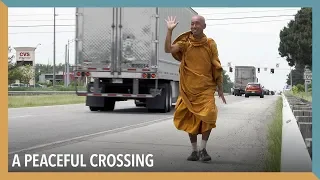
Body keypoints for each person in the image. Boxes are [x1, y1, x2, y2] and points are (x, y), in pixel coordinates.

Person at [164, 15, 227, 162]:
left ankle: (203, 149)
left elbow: (216, 66)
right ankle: (194, 151)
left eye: (197, 24)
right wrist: (169, 31)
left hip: (206, 89)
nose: (194, 26)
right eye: (192, 24)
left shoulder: (210, 44)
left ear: (204, 26)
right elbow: (168, 49)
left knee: (209, 116)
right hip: (188, 89)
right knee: (190, 119)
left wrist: (220, 88)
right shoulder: (185, 43)